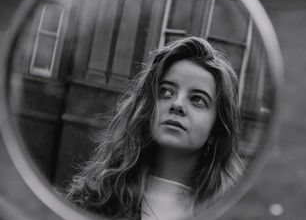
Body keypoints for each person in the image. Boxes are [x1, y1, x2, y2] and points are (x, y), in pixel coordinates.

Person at [66, 37, 244, 219]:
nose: (177, 104)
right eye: (166, 91)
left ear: (216, 130)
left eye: (197, 99)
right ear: (148, 107)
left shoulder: (234, 211)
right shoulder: (96, 200)